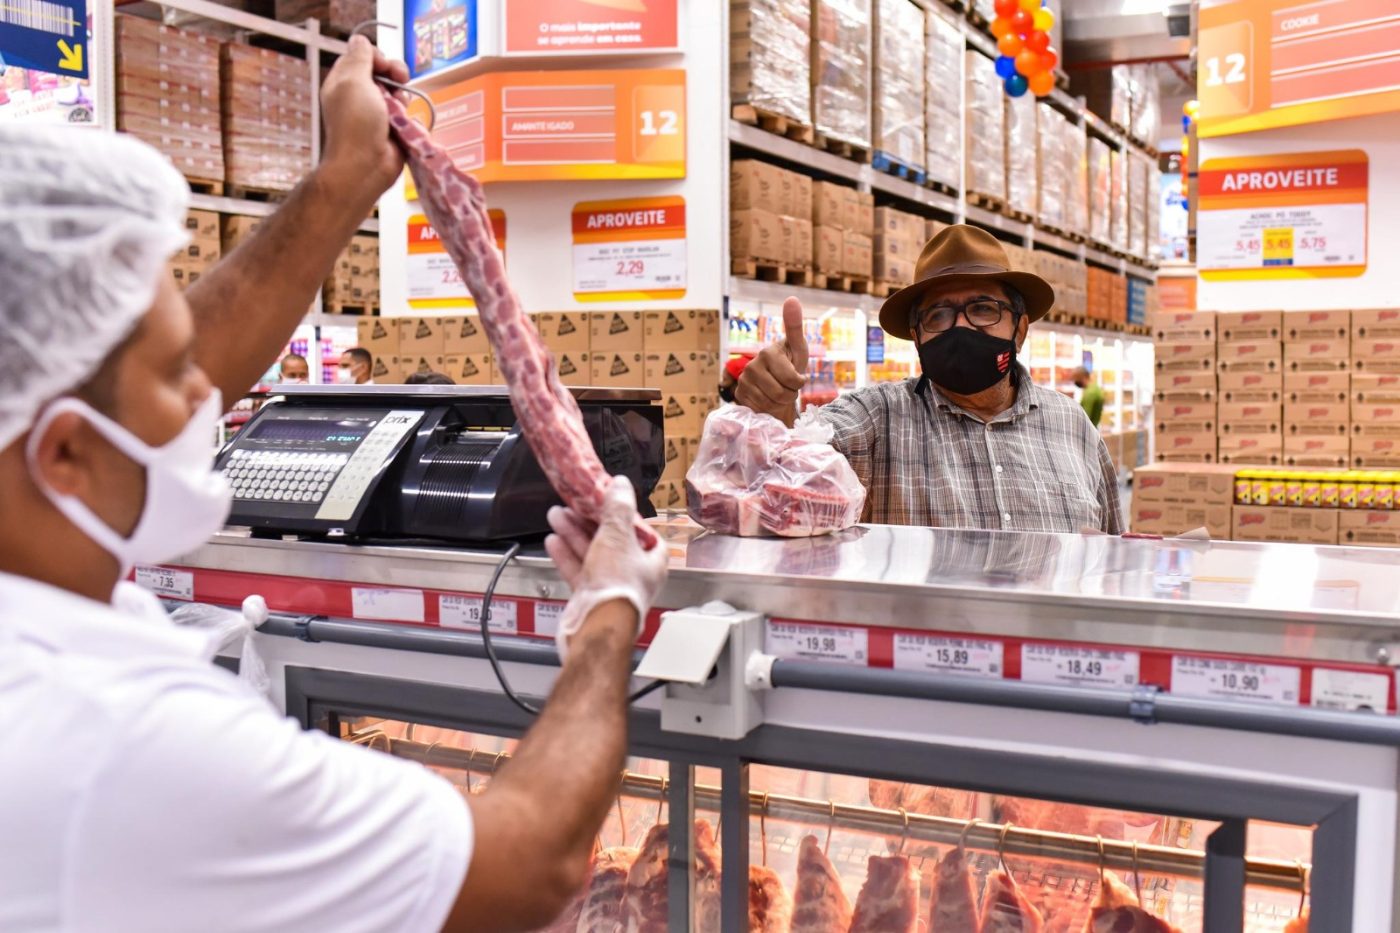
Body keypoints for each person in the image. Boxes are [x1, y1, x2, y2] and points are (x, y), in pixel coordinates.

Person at [0, 36, 669, 933]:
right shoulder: (119, 737)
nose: (211, 396)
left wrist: (347, 177)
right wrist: (606, 619)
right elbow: (528, 862)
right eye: (175, 376)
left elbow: (125, 364)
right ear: (64, 456)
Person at [736, 224, 1122, 534]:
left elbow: (1114, 554)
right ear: (917, 337)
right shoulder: (877, 418)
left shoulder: (1073, 425)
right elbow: (792, 465)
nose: (961, 327)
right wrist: (772, 413)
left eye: (983, 309)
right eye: (938, 316)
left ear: (1019, 329)